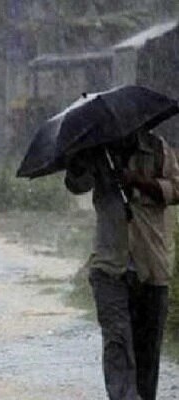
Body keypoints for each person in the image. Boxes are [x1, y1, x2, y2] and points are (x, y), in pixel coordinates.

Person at [65, 129, 179, 400]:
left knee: (147, 351)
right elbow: (76, 184)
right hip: (109, 265)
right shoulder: (96, 150)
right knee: (117, 341)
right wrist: (77, 163)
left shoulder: (157, 148)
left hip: (152, 263)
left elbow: (176, 189)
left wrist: (138, 182)